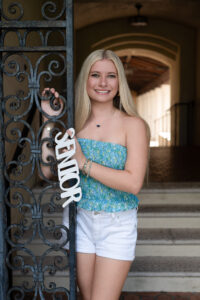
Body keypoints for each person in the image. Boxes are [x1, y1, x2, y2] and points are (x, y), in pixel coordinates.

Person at [41, 49, 149, 300]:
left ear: (119, 82)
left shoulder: (133, 125)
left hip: (117, 223)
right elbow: (48, 171)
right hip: (80, 221)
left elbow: (133, 183)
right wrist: (49, 121)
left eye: (111, 76)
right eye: (95, 75)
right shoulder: (72, 123)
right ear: (85, 80)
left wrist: (84, 162)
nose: (103, 83)